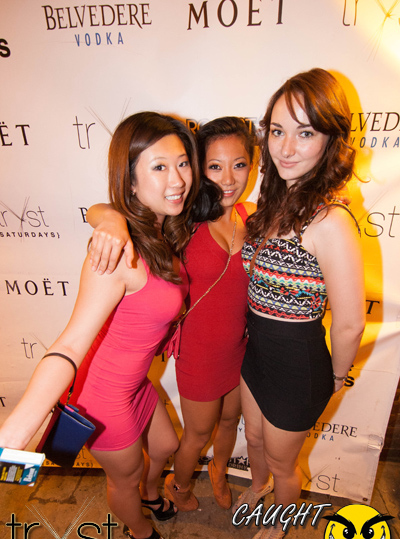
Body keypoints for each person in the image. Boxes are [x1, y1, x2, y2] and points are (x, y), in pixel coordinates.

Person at [0, 112, 200, 539]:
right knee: (124, 479)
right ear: (131, 181)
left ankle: (150, 496)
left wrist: (107, 215)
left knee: (166, 446)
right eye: (159, 166)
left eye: (182, 163)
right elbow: (70, 344)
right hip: (105, 400)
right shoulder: (116, 253)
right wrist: (15, 432)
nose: (178, 179)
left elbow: (101, 210)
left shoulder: (155, 228)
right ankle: (140, 532)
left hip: (135, 383)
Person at [86, 117, 274, 511]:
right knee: (197, 435)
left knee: (229, 423)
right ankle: (181, 487)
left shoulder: (252, 216)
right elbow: (103, 209)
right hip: (199, 353)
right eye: (214, 166)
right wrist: (110, 218)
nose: (228, 178)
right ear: (199, 169)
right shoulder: (182, 219)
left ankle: (219, 471)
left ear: (252, 166)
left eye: (239, 164)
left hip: (240, 348)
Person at [240, 68, 365, 539]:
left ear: (331, 140)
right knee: (253, 439)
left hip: (297, 363)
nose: (286, 148)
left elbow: (350, 323)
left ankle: (279, 523)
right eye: (277, 131)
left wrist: (334, 378)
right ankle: (257, 488)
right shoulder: (274, 201)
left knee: (282, 463)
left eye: (305, 133)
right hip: (257, 350)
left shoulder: (329, 220)